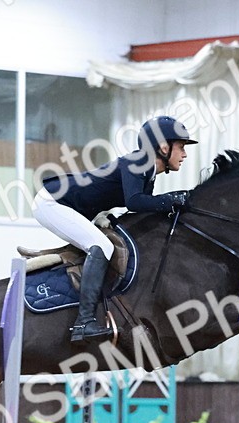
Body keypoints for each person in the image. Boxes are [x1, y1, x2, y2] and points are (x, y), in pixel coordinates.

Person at [33, 115, 197, 342]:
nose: (185, 154)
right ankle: (84, 322)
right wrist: (171, 200)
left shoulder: (147, 171)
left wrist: (171, 204)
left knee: (102, 243)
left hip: (69, 205)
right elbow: (135, 202)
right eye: (181, 147)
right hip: (52, 202)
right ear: (163, 146)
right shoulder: (138, 162)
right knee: (101, 246)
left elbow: (141, 208)